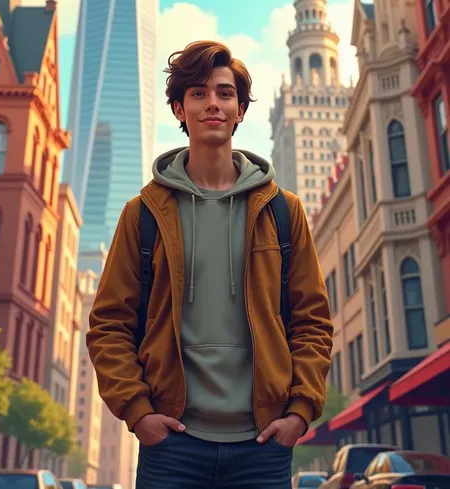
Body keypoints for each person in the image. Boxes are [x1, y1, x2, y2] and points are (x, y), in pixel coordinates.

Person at [87, 40, 333, 489]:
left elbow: (313, 321)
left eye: (224, 93)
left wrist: (300, 412)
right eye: (198, 93)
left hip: (263, 446)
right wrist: (139, 413)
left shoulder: (283, 210)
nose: (212, 104)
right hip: (172, 448)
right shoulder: (143, 213)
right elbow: (108, 325)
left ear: (240, 109)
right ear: (180, 109)